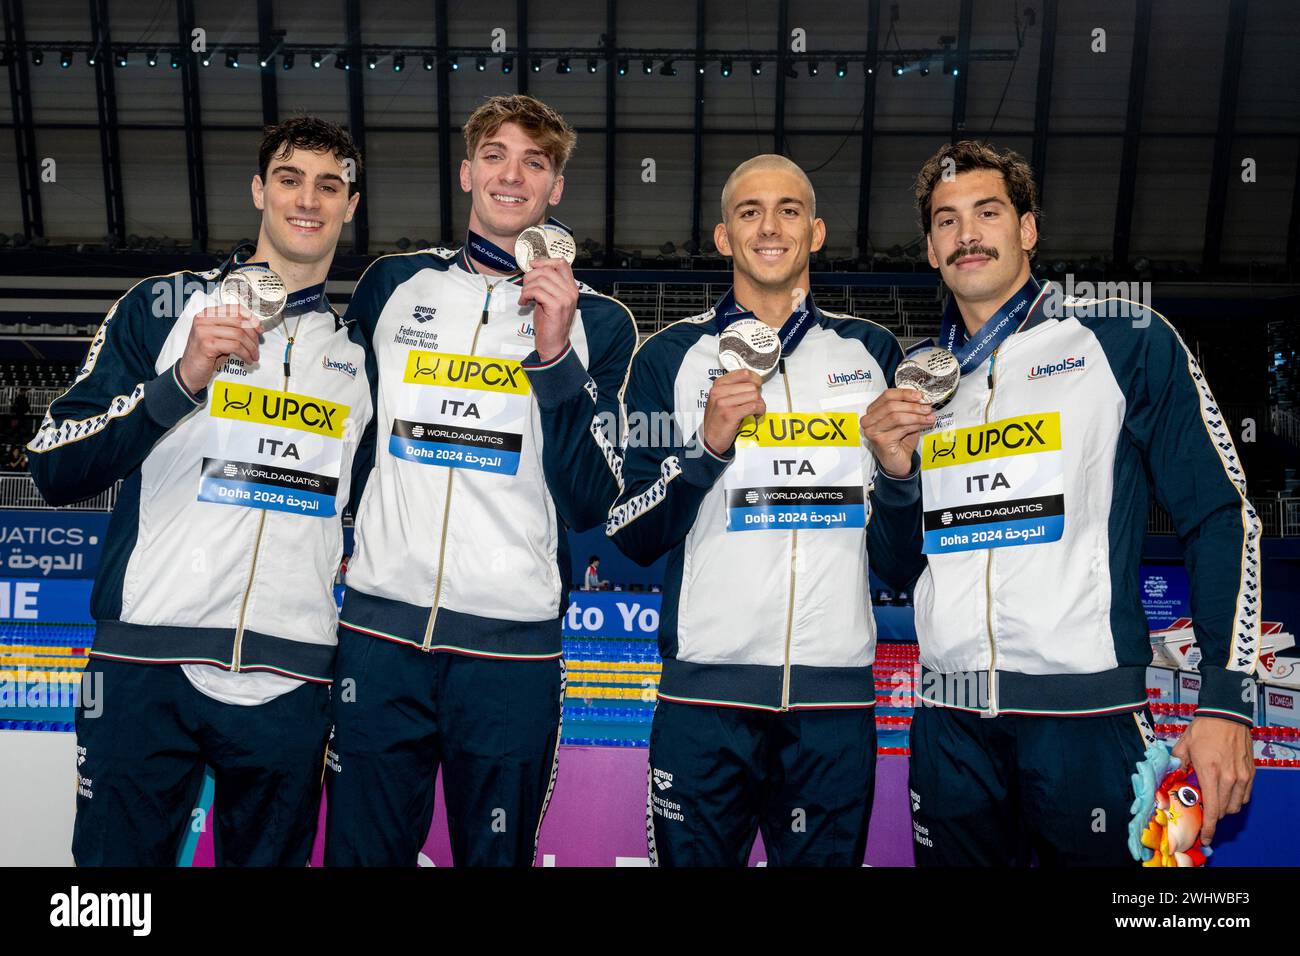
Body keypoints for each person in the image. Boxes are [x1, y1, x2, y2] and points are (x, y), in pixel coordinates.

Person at [28, 116, 373, 866]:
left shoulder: (360, 357)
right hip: (146, 666)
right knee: (109, 907)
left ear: (350, 204)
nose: (306, 200)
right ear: (258, 190)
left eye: (328, 185)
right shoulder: (161, 306)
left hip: (292, 675)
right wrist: (179, 384)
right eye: (288, 179)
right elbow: (53, 466)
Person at [903, 140, 1258, 866]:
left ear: (1028, 230)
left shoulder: (1121, 337)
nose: (968, 233)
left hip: (1088, 724)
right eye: (947, 221)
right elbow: (893, 554)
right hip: (947, 729)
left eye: (988, 212)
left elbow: (1221, 513)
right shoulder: (914, 385)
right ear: (931, 249)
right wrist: (892, 474)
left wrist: (1225, 699)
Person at [324, 94, 637, 867]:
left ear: (555, 189)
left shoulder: (603, 320)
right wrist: (340, 535)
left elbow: (591, 496)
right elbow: (352, 429)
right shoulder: (391, 285)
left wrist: (556, 354)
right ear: (467, 172)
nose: (513, 174)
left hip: (511, 649)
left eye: (536, 162)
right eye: (495, 154)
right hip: (379, 633)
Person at [607, 154, 924, 866]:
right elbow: (632, 533)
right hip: (703, 705)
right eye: (749, 212)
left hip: (834, 706)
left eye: (788, 210)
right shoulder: (671, 356)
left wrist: (902, 479)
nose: (769, 226)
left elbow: (904, 561)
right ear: (724, 237)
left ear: (815, 232)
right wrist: (707, 449)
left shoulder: (871, 354)